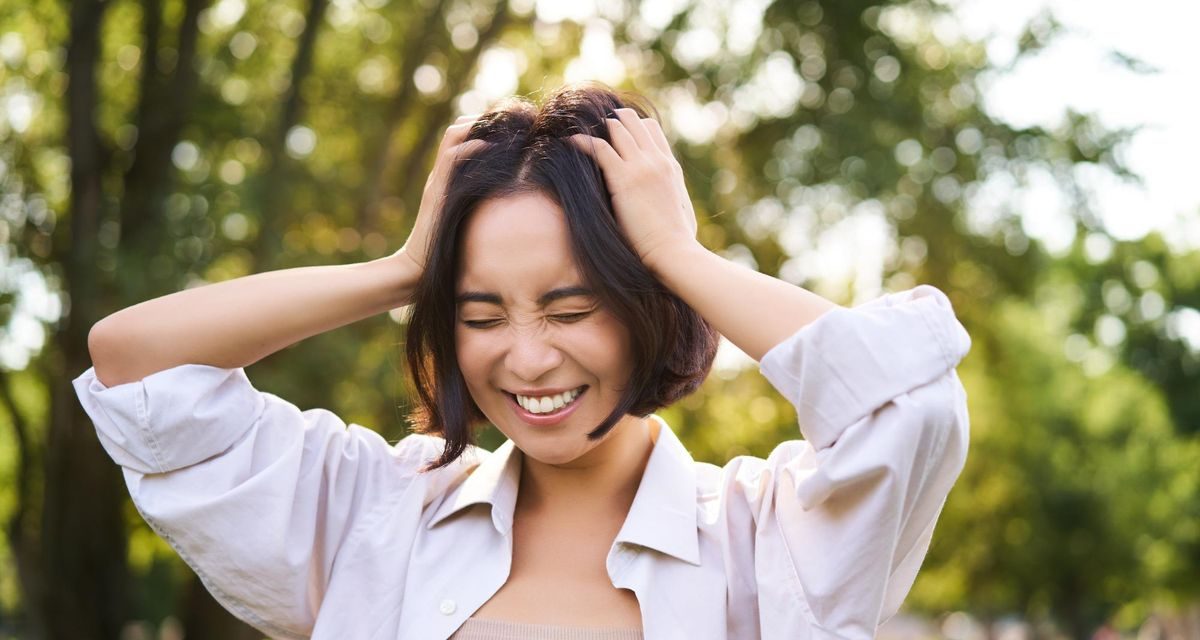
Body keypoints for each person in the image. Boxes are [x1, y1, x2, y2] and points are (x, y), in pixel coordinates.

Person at [73, 83, 972, 639]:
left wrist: (679, 257)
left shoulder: (763, 539)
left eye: (571, 307)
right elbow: (136, 370)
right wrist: (403, 269)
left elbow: (908, 404)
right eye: (480, 315)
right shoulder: (377, 515)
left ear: (644, 310)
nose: (528, 358)